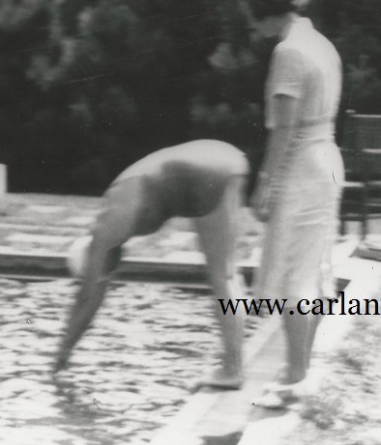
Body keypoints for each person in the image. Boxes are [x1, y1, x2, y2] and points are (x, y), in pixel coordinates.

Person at [52, 140, 249, 388]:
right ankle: (234, 368)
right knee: (228, 276)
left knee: (223, 276)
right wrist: (68, 349)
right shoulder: (112, 230)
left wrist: (64, 350)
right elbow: (96, 294)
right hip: (225, 162)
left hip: (206, 169)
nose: (106, 273)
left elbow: (87, 297)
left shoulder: (105, 229)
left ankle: (233, 370)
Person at [235, 0, 344, 406]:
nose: (248, 23)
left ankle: (296, 377)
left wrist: (265, 184)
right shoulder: (320, 44)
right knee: (312, 270)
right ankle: (300, 369)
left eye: (250, 13)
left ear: (264, 10)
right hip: (327, 160)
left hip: (301, 166)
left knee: (294, 276)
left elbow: (283, 130)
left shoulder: (290, 52)